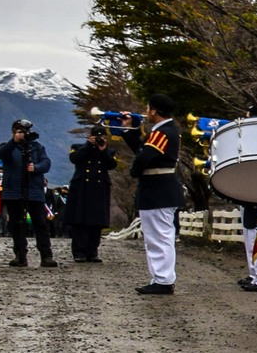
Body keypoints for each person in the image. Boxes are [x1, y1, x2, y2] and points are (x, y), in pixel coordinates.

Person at [122, 95, 184, 293]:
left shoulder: (162, 132)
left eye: (148, 108)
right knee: (157, 236)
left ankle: (163, 280)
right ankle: (161, 278)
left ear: (154, 111)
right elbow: (142, 150)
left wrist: (134, 171)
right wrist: (129, 130)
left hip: (158, 189)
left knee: (159, 237)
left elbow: (144, 157)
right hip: (160, 189)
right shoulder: (165, 131)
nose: (146, 112)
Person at [0, 120, 57, 268]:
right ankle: (20, 255)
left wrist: (35, 167)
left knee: (40, 223)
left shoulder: (37, 147)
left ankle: (46, 255)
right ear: (13, 132)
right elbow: (1, 155)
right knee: (16, 224)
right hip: (13, 191)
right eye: (18, 131)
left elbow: (46, 163)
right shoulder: (7, 147)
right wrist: (14, 141)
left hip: (34, 190)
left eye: (23, 131)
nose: (21, 134)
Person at [64, 127, 117, 263]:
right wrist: (89, 145)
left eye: (103, 137)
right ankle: (79, 251)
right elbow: (74, 158)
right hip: (82, 187)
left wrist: (103, 150)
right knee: (80, 220)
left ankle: (92, 251)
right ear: (90, 137)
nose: (100, 139)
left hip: (100, 189)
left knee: (96, 222)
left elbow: (112, 164)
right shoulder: (78, 147)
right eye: (97, 137)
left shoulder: (109, 151)